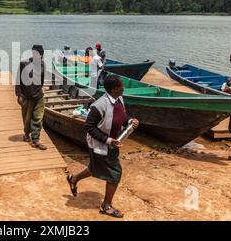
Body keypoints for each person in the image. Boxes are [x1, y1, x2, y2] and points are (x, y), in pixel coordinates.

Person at [66, 75, 139, 218]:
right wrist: (107, 140)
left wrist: (130, 120)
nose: (124, 87)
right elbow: (89, 126)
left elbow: (121, 116)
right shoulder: (100, 105)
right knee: (115, 174)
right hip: (102, 145)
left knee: (94, 168)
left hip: (114, 142)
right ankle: (106, 206)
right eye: (122, 86)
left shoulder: (119, 99)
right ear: (115, 89)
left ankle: (74, 179)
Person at [16, 45, 48, 150]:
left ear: (41, 55)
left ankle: (35, 140)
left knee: (38, 118)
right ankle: (26, 133)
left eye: (39, 54)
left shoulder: (43, 65)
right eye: (34, 53)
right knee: (27, 118)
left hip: (39, 96)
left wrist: (40, 90)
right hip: (27, 96)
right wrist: (19, 95)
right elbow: (18, 81)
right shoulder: (24, 64)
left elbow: (42, 80)